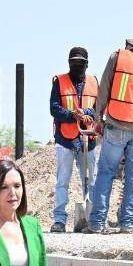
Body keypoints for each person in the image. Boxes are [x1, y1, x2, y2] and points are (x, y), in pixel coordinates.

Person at [83, 30, 133, 234]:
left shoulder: (118, 57)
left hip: (116, 123)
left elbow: (104, 89)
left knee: (106, 172)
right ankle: (128, 223)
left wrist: (98, 116)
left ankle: (97, 222)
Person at [49, 46, 99, 233]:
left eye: (81, 63)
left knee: (90, 181)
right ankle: (60, 220)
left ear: (87, 64)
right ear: (69, 62)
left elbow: (100, 109)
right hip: (66, 140)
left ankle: (91, 218)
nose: (77, 66)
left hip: (88, 139)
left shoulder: (94, 82)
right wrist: (73, 115)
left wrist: (86, 113)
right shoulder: (59, 81)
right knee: (63, 180)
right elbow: (54, 108)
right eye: (74, 62)